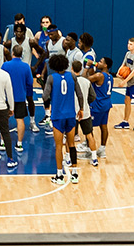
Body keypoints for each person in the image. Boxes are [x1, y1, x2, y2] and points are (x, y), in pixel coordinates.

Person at [47, 53, 80, 185]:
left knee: (59, 146)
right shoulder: (72, 76)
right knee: (72, 145)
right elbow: (79, 94)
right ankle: (75, 174)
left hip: (58, 116)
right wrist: (81, 108)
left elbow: (45, 96)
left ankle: (59, 176)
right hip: (70, 115)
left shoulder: (51, 78)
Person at [2, 44, 32, 166]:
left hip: (7, 98)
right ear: (22, 54)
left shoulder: (5, 65)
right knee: (20, 120)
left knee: (4, 120)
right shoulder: (26, 66)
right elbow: (30, 82)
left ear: (12, 53)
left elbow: (1, 79)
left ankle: (2, 142)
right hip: (20, 97)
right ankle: (19, 144)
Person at [72, 59, 98, 166]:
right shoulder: (87, 82)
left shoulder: (70, 81)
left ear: (72, 69)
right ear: (81, 69)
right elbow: (93, 96)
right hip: (85, 112)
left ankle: (69, 158)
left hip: (72, 112)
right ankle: (94, 157)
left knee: (70, 137)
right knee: (89, 135)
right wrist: (86, 104)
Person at [86, 57, 113, 160]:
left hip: (97, 104)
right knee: (104, 126)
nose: (98, 62)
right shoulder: (109, 76)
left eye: (101, 62)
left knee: (88, 127)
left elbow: (86, 80)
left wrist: (88, 66)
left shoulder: (99, 75)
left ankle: (89, 150)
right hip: (107, 103)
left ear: (105, 65)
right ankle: (102, 149)